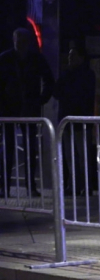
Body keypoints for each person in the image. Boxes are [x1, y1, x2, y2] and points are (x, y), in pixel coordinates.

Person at [0, 28, 55, 195]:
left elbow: (49, 81)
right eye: (17, 40)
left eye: (22, 40)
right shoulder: (8, 58)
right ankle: (6, 187)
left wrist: (40, 100)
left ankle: (26, 186)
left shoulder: (33, 58)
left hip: (26, 108)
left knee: (28, 149)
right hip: (11, 108)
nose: (19, 43)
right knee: (9, 149)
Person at [54, 44, 97, 195]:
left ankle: (86, 186)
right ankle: (73, 185)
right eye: (69, 55)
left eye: (73, 55)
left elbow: (81, 96)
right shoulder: (66, 74)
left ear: (81, 57)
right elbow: (56, 92)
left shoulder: (87, 75)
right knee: (70, 156)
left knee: (83, 155)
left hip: (81, 121)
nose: (70, 58)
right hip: (67, 120)